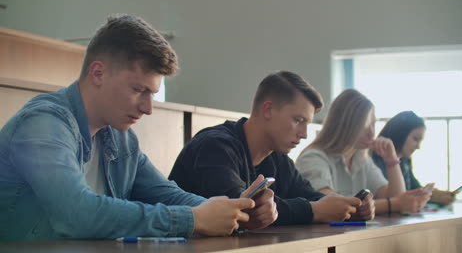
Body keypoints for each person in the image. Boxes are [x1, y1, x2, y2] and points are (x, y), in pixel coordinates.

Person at [0, 14, 275, 242]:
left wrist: (233, 210)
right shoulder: (44, 123)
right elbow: (76, 214)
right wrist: (194, 219)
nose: (148, 108)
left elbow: (166, 193)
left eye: (152, 94)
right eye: (137, 90)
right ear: (98, 73)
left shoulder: (121, 137)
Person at [169, 71, 370, 225]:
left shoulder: (277, 157)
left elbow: (310, 195)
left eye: (307, 123)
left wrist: (349, 206)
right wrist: (313, 210)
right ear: (268, 109)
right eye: (298, 120)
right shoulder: (215, 145)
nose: (304, 134)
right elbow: (240, 206)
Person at [296, 89, 431, 215]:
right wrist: (392, 205)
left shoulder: (361, 158)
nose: (372, 133)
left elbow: (395, 197)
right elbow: (334, 206)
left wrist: (392, 160)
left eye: (373, 125)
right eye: (365, 126)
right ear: (346, 125)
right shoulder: (313, 158)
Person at [373, 111, 456, 205]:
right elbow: (396, 198)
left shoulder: (404, 161)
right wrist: (431, 196)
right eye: (415, 139)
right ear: (400, 134)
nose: (418, 147)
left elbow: (414, 188)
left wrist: (431, 195)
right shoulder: (374, 162)